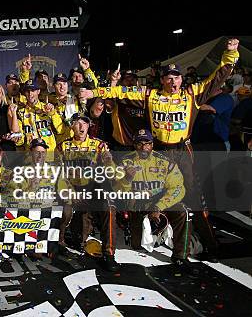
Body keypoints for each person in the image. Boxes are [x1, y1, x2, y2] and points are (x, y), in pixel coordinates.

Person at [80, 38, 240, 260]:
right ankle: (149, 234)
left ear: (181, 79)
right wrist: (96, 92)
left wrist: (230, 54)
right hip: (157, 151)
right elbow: (122, 92)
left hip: (183, 150)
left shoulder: (191, 94)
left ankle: (210, 244)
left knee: (194, 196)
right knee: (149, 190)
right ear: (162, 80)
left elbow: (216, 79)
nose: (172, 81)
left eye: (176, 77)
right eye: (168, 77)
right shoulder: (151, 95)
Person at [114, 129, 195, 272]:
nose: (144, 147)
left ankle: (180, 256)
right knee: (136, 245)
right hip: (137, 202)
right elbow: (117, 191)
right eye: (140, 144)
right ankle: (138, 228)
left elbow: (178, 188)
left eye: (147, 143)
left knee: (183, 212)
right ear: (134, 145)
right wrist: (127, 179)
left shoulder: (165, 162)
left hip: (159, 201)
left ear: (152, 145)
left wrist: (158, 207)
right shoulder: (124, 162)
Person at [57, 113, 119, 271]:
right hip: (72, 190)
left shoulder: (99, 145)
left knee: (110, 206)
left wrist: (108, 160)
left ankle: (109, 254)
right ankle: (59, 240)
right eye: (77, 123)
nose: (81, 126)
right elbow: (59, 175)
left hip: (92, 189)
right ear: (72, 126)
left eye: (84, 123)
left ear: (89, 126)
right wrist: (70, 192)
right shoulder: (62, 146)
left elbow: (111, 172)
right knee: (79, 241)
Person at [15, 80, 64, 152]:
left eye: (33, 90)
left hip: (49, 153)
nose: (30, 93)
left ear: (38, 91)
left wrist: (53, 114)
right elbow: (19, 141)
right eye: (27, 91)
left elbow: (60, 130)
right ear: (24, 93)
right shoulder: (20, 112)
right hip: (31, 156)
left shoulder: (48, 108)